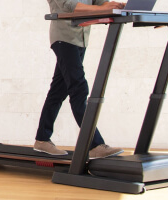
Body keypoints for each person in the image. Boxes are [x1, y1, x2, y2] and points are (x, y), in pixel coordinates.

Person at [34, 0, 126, 159]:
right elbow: (69, 5)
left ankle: (42, 139)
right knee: (79, 88)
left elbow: (99, 2)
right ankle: (95, 145)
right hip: (63, 38)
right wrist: (101, 8)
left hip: (80, 39)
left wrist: (115, 6)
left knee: (58, 91)